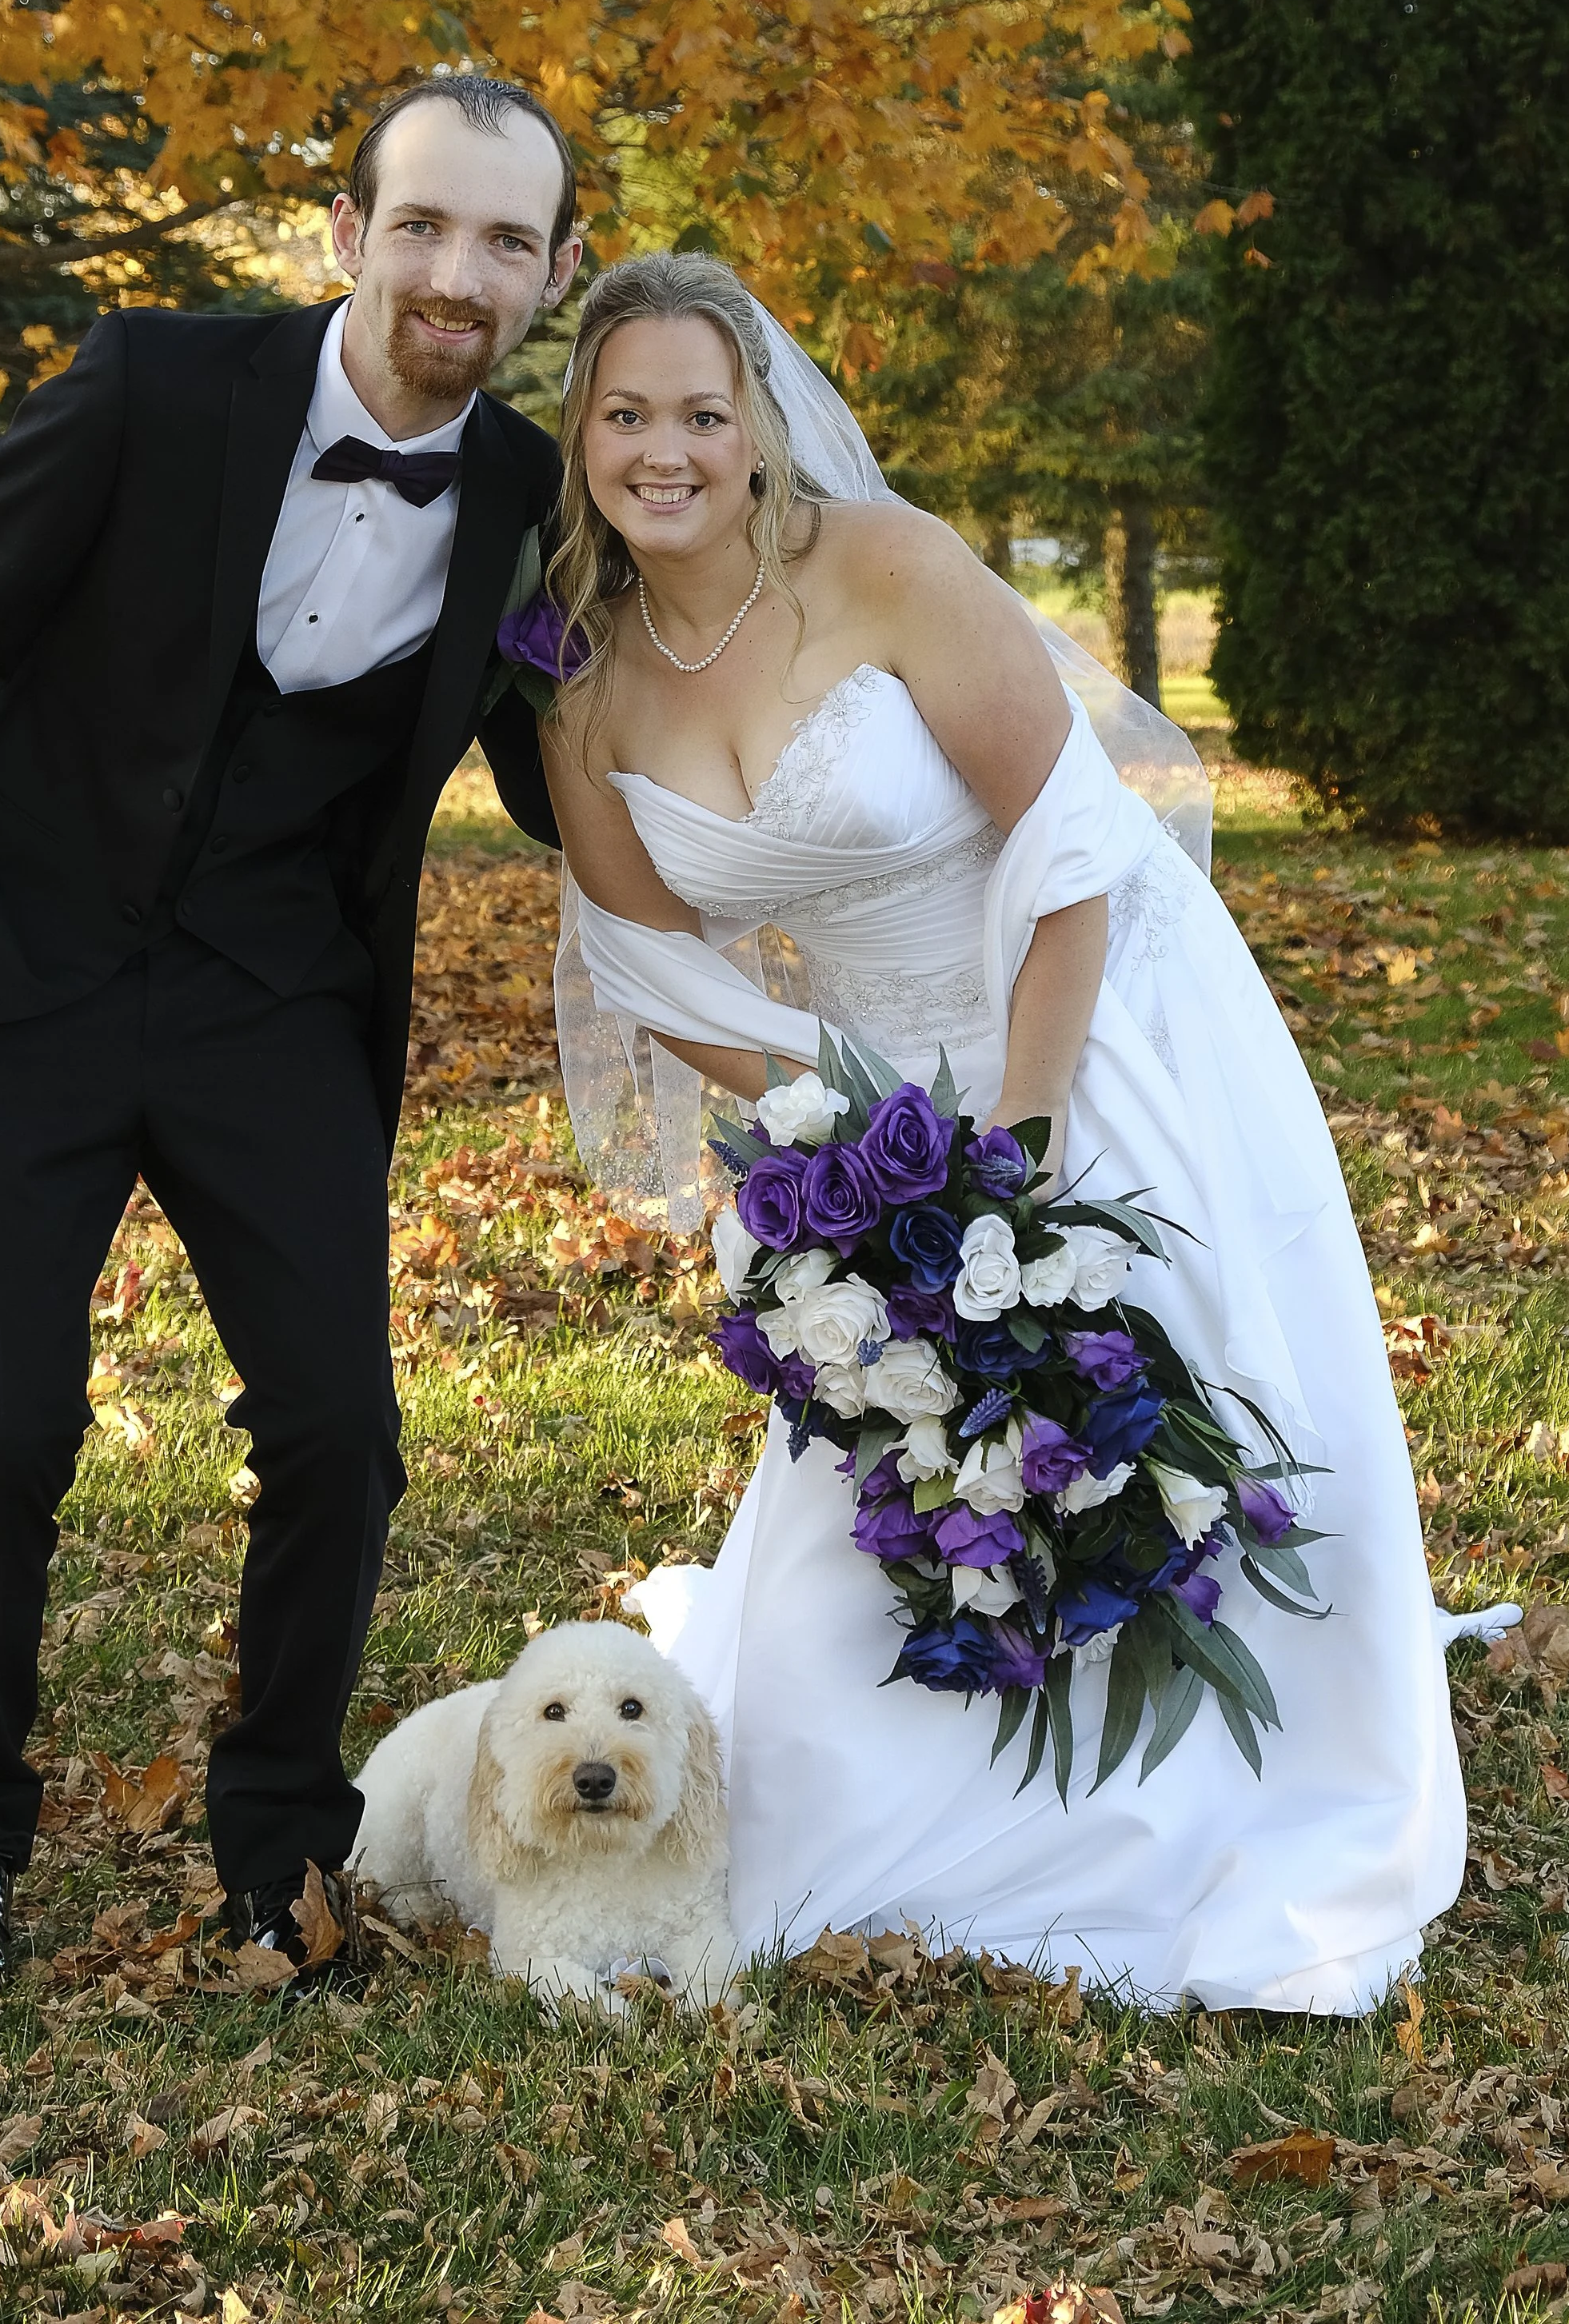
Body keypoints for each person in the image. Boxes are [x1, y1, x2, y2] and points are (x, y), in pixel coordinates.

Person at [535, 251, 1480, 2014]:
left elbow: (1068, 848)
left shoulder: (885, 567)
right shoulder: (587, 695)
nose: (665, 451)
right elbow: (649, 963)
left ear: (758, 431)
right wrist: (835, 1127)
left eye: (701, 414)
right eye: (626, 416)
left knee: (1154, 1403)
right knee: (902, 1479)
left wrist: (1020, 1149)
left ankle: (1236, 1761)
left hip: (1088, 1010)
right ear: (581, 438)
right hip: (882, 1109)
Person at [0, 76, 581, 1986]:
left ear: (553, 275)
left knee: (340, 1429)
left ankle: (279, 1849)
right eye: (422, 224)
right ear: (346, 236)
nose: (457, 272)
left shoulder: (530, 493)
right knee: (0, 1434)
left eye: (504, 241)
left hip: (276, 1009)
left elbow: (556, 766)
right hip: (17, 988)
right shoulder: (149, 384)